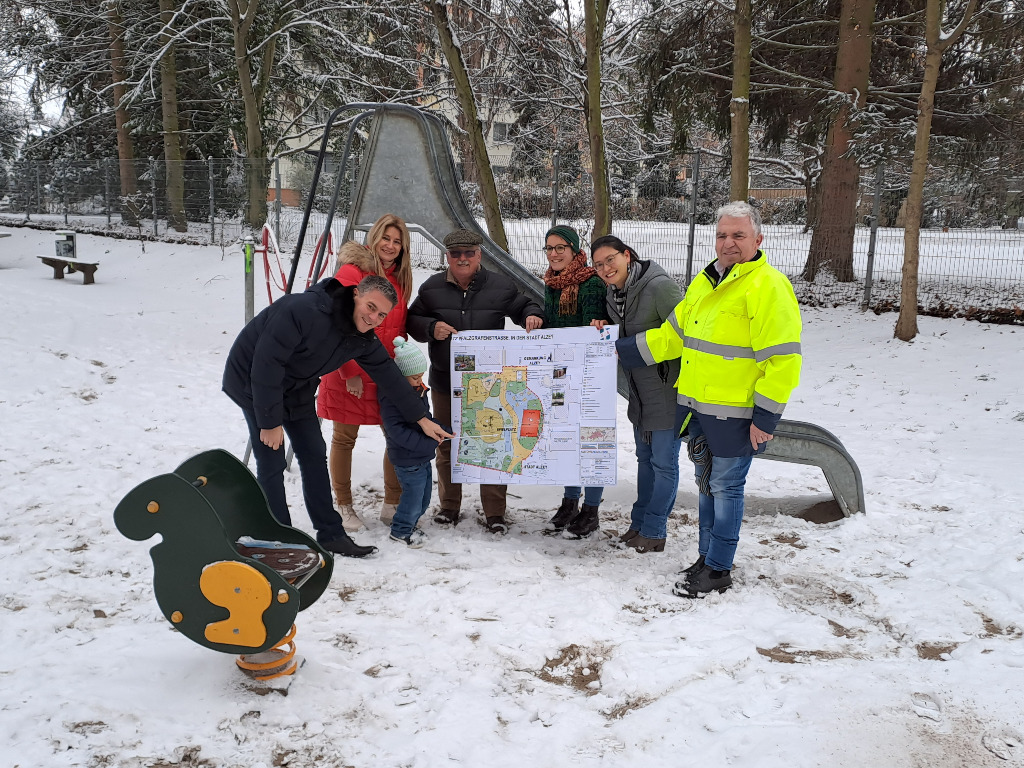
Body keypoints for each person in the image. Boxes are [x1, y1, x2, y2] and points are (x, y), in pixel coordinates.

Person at [615, 201, 802, 596]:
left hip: (737, 415)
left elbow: (783, 361)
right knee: (706, 485)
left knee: (726, 488)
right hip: (698, 409)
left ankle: (719, 568)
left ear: (758, 239)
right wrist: (620, 348)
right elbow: (672, 337)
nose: (728, 242)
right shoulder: (705, 283)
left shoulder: (768, 286)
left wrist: (765, 419)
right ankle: (706, 558)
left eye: (738, 235)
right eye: (722, 235)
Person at [223, 274, 452, 558]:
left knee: (314, 454)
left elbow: (390, 377)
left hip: (297, 386)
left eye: (381, 315)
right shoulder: (302, 311)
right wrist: (269, 422)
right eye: (371, 307)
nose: (373, 318)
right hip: (253, 381)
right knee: (271, 459)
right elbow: (266, 363)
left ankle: (331, 534)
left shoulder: (361, 338)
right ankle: (277, 538)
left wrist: (422, 419)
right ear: (356, 294)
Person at [406, 228, 544, 534]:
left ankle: (495, 512)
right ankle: (449, 506)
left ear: (479, 255)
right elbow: (412, 321)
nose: (463, 258)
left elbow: (524, 305)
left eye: (469, 253)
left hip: (489, 384)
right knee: (445, 443)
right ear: (448, 257)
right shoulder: (431, 288)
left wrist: (532, 315)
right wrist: (431, 328)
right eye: (456, 254)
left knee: (493, 442)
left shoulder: (499, 285)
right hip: (445, 381)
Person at [317, 215, 414, 532]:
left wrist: (408, 369)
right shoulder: (352, 272)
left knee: (396, 437)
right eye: (385, 238)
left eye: (397, 241)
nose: (390, 245)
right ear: (374, 238)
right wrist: (349, 371)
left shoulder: (399, 279)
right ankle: (343, 505)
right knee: (344, 438)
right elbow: (335, 321)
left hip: (385, 370)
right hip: (351, 368)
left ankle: (392, 503)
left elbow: (397, 329)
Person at [589, 234, 683, 553]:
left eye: (610, 260)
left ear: (627, 255)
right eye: (598, 264)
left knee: (663, 463)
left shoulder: (659, 287)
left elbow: (684, 335)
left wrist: (626, 347)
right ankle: (640, 523)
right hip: (640, 393)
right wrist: (603, 325)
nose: (605, 268)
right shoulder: (614, 292)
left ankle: (655, 530)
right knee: (645, 459)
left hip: (668, 391)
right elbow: (621, 328)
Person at [540, 225, 609, 539]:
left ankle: (591, 509)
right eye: (549, 248)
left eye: (560, 248)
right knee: (567, 440)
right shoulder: (552, 283)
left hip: (588, 375)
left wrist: (597, 323)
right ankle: (570, 501)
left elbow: (594, 321)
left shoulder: (591, 282)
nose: (554, 254)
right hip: (561, 373)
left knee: (591, 442)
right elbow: (553, 323)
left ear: (573, 250)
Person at [380, 338, 449, 548]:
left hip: (421, 456)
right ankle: (400, 530)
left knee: (424, 496)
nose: (419, 380)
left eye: (421, 376)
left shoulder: (418, 391)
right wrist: (428, 444)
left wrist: (440, 428)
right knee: (412, 496)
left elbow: (425, 418)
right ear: (400, 377)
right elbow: (397, 432)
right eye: (414, 377)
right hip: (407, 459)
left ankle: (410, 525)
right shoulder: (390, 398)